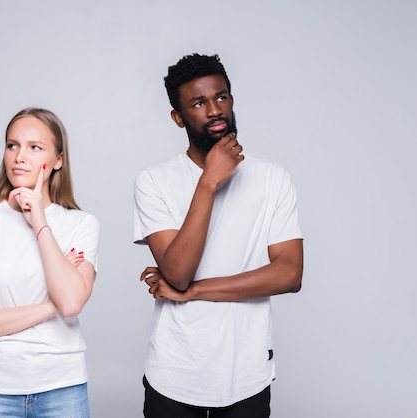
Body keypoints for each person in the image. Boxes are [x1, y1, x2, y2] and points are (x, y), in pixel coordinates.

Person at [133, 53, 304, 417]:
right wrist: (208, 182)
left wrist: (194, 292)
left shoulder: (273, 179)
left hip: (247, 378)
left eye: (221, 97)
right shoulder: (154, 181)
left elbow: (289, 274)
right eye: (199, 103)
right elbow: (177, 272)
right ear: (178, 118)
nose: (215, 110)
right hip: (174, 376)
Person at [0, 107, 99, 418]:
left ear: (58, 160)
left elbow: (71, 303)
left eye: (35, 147)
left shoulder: (81, 224)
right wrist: (49, 306)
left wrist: (41, 225)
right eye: (12, 145)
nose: (19, 156)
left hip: (62, 388)